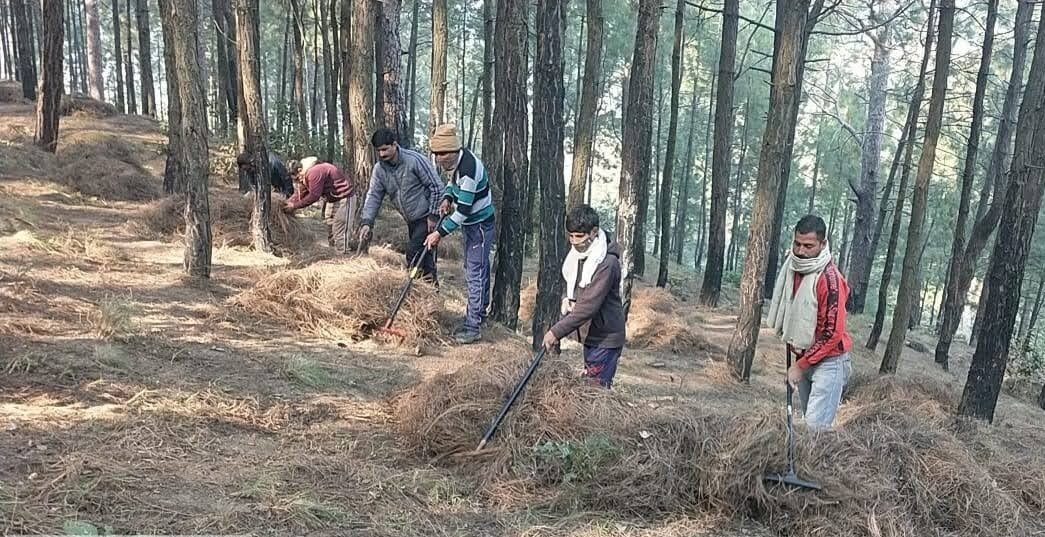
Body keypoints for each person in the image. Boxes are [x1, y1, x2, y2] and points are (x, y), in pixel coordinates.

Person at [767, 214, 854, 431]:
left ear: (823, 244)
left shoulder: (830, 279)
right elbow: (791, 309)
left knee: (816, 430)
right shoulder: (793, 267)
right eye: (797, 244)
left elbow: (833, 333)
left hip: (830, 363)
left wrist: (799, 366)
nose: (801, 251)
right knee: (809, 426)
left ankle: (819, 465)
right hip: (804, 354)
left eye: (808, 245)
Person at [423, 124, 496, 344]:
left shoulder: (469, 170)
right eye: (436, 154)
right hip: (471, 225)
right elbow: (451, 184)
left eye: (443, 153)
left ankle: (472, 326)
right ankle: (479, 315)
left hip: (480, 226)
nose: (439, 158)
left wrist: (439, 234)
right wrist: (446, 198)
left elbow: (463, 211)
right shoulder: (455, 164)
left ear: (454, 150)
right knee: (476, 269)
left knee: (475, 273)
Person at [541, 205, 625, 388]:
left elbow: (588, 306)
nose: (574, 241)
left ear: (594, 232)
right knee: (590, 387)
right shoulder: (578, 256)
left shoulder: (606, 263)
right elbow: (578, 289)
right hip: (592, 337)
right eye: (570, 236)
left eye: (579, 236)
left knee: (595, 394)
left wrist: (556, 332)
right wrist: (569, 300)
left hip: (605, 338)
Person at [359, 128, 444, 283]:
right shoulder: (379, 170)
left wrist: (433, 215)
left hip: (426, 217)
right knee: (424, 256)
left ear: (395, 145)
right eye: (379, 151)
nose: (382, 154)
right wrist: (367, 222)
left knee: (413, 253)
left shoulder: (414, 160)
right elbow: (373, 196)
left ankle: (416, 288)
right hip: (411, 220)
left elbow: (437, 187)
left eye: (385, 149)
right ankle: (430, 293)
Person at [283, 156, 354, 253]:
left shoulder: (314, 173)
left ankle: (343, 254)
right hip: (332, 199)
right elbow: (301, 193)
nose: (297, 181)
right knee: (330, 224)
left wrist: (294, 206)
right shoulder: (305, 174)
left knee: (339, 227)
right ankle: (333, 251)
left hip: (344, 197)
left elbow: (314, 196)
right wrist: (288, 203)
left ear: (299, 170)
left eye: (297, 178)